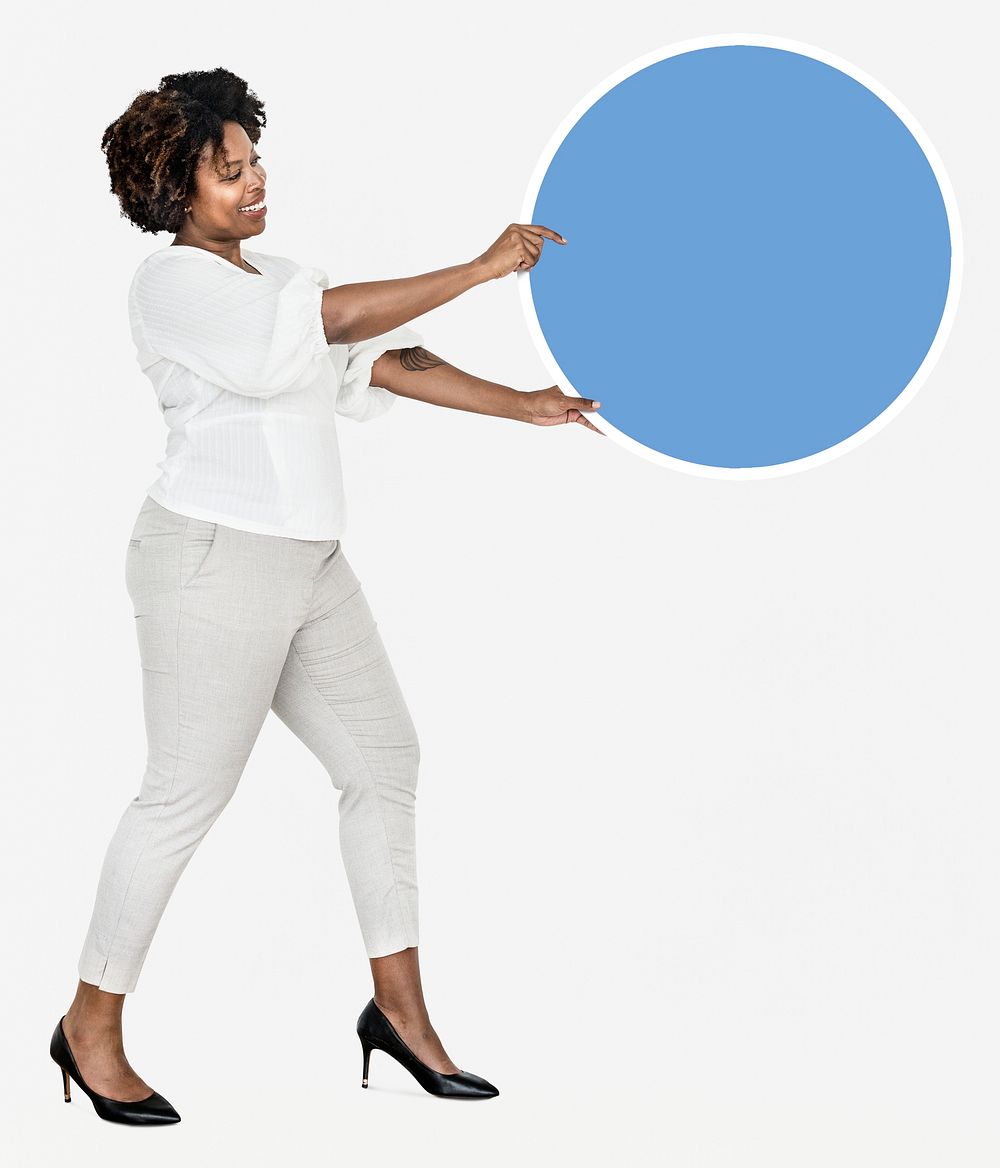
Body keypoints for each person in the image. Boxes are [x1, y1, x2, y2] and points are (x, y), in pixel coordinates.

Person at [50, 66, 602, 1125]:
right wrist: (483, 266)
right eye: (230, 170)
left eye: (255, 160)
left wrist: (521, 406)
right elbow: (334, 320)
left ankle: (399, 1016)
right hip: (213, 561)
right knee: (181, 798)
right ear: (177, 189)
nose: (256, 180)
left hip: (309, 564)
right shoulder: (172, 287)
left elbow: (382, 360)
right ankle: (89, 1023)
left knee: (382, 760)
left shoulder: (277, 280)